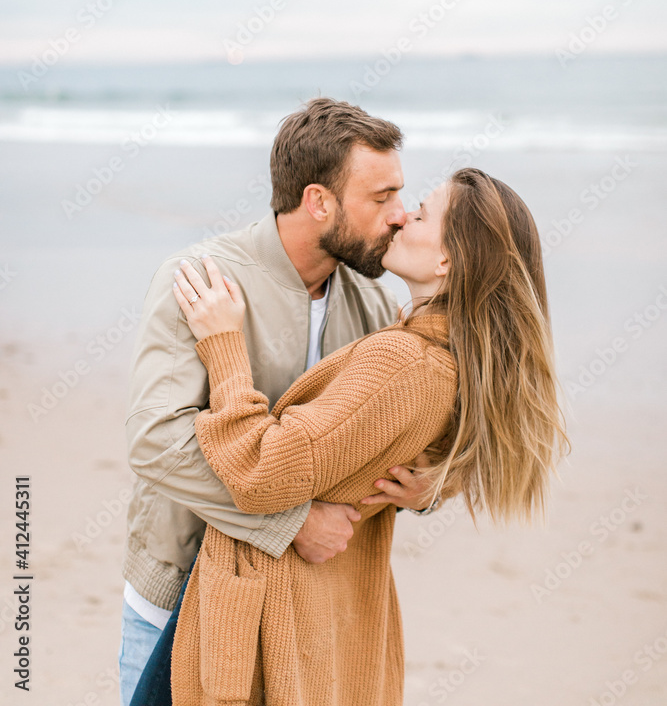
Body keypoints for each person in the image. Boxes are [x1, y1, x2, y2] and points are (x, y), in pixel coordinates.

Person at [169, 167, 569, 705]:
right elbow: (440, 447)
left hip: (278, 616)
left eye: (422, 213)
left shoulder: (403, 361)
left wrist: (224, 346)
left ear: (447, 261)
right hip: (339, 612)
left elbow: (263, 472)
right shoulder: (455, 360)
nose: (402, 215)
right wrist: (435, 485)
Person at [119, 98, 432, 705]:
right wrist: (293, 525)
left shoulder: (370, 302)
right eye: (381, 196)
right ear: (319, 201)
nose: (400, 215)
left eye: (402, 195)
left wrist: (429, 486)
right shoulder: (201, 279)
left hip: (302, 608)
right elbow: (156, 443)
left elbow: (392, 438)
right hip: (181, 590)